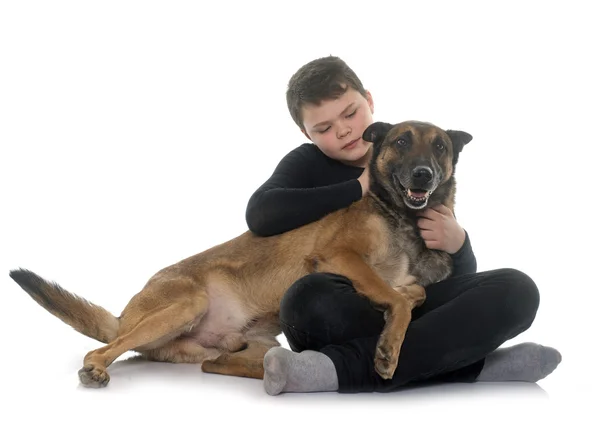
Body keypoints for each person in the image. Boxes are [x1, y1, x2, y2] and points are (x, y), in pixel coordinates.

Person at [244, 56, 561, 395]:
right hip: (344, 313)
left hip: (412, 309)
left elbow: (452, 282)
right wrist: (357, 187)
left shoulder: (423, 181)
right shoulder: (308, 163)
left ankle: (334, 370)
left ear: (369, 100)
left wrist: (459, 245)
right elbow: (261, 214)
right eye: (323, 128)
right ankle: (476, 365)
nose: (344, 129)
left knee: (518, 289)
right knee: (307, 297)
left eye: (350, 113)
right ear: (306, 132)